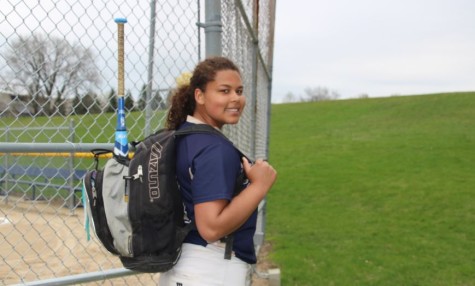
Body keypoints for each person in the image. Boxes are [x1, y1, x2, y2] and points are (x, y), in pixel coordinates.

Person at [158, 56, 277, 286]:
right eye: (224, 91)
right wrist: (260, 186)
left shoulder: (183, 135)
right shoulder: (214, 148)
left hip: (182, 265)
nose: (236, 98)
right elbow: (211, 227)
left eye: (239, 91)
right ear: (199, 96)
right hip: (210, 269)